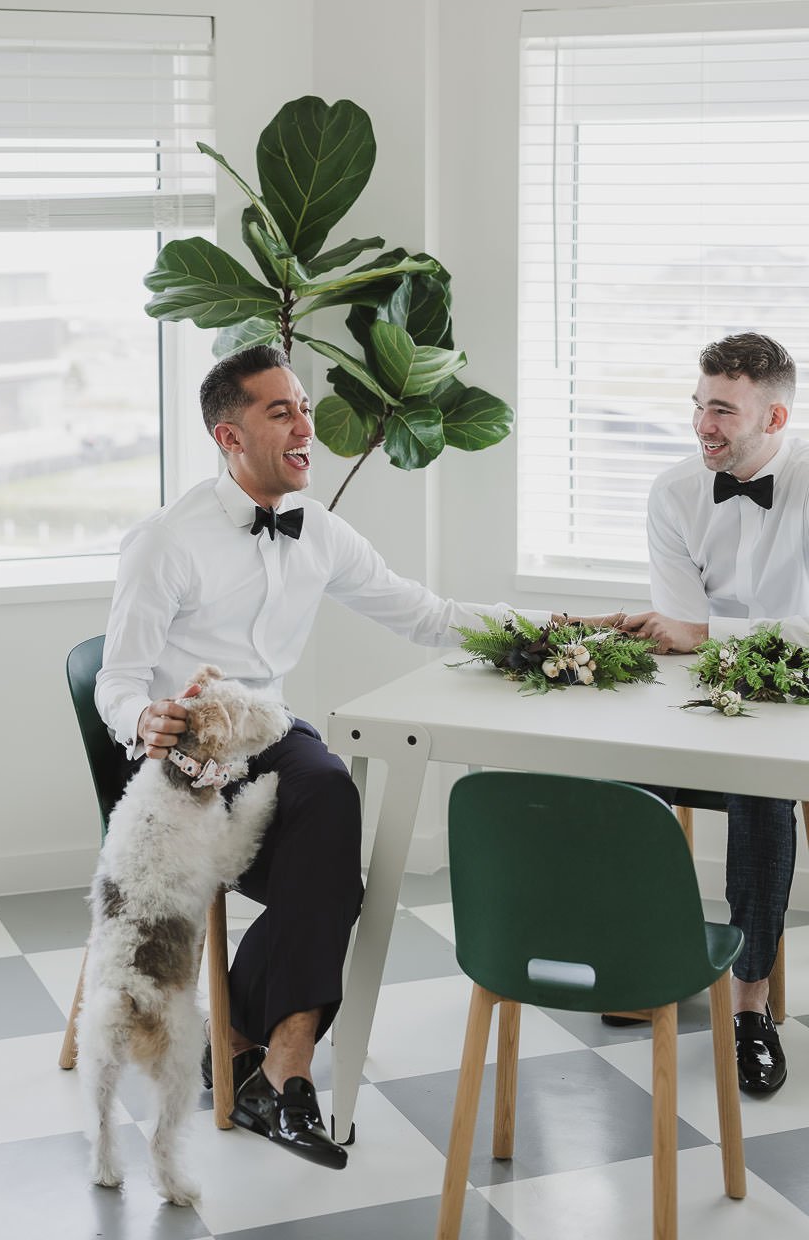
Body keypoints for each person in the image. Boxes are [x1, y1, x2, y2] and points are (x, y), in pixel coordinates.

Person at [95, 343, 588, 1169]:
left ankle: (278, 1066)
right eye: (279, 411)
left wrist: (556, 630)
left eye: (305, 408)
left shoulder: (317, 530)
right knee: (327, 866)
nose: (304, 426)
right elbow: (116, 680)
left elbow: (426, 615)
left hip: (270, 732)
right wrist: (143, 721)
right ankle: (260, 1063)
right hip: (184, 749)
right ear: (229, 436)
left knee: (330, 795)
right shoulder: (166, 542)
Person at [622, 332, 805, 1096]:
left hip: (794, 708)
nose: (703, 425)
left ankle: (749, 1009)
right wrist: (699, 638)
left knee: (760, 798)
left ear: (775, 418)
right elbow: (677, 631)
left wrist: (708, 635)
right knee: (621, 782)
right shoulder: (674, 493)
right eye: (699, 406)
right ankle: (645, 968)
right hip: (694, 699)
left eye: (723, 411)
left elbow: (787, 646)